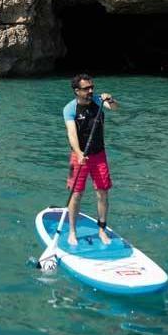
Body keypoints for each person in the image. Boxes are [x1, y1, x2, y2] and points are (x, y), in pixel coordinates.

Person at [62, 73, 119, 246]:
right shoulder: (70, 109)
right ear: (77, 91)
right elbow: (71, 133)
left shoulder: (98, 101)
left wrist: (110, 99)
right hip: (78, 157)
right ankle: (72, 231)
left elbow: (115, 108)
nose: (91, 90)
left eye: (92, 87)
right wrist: (79, 153)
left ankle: (101, 229)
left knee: (102, 193)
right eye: (86, 88)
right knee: (77, 194)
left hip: (99, 155)